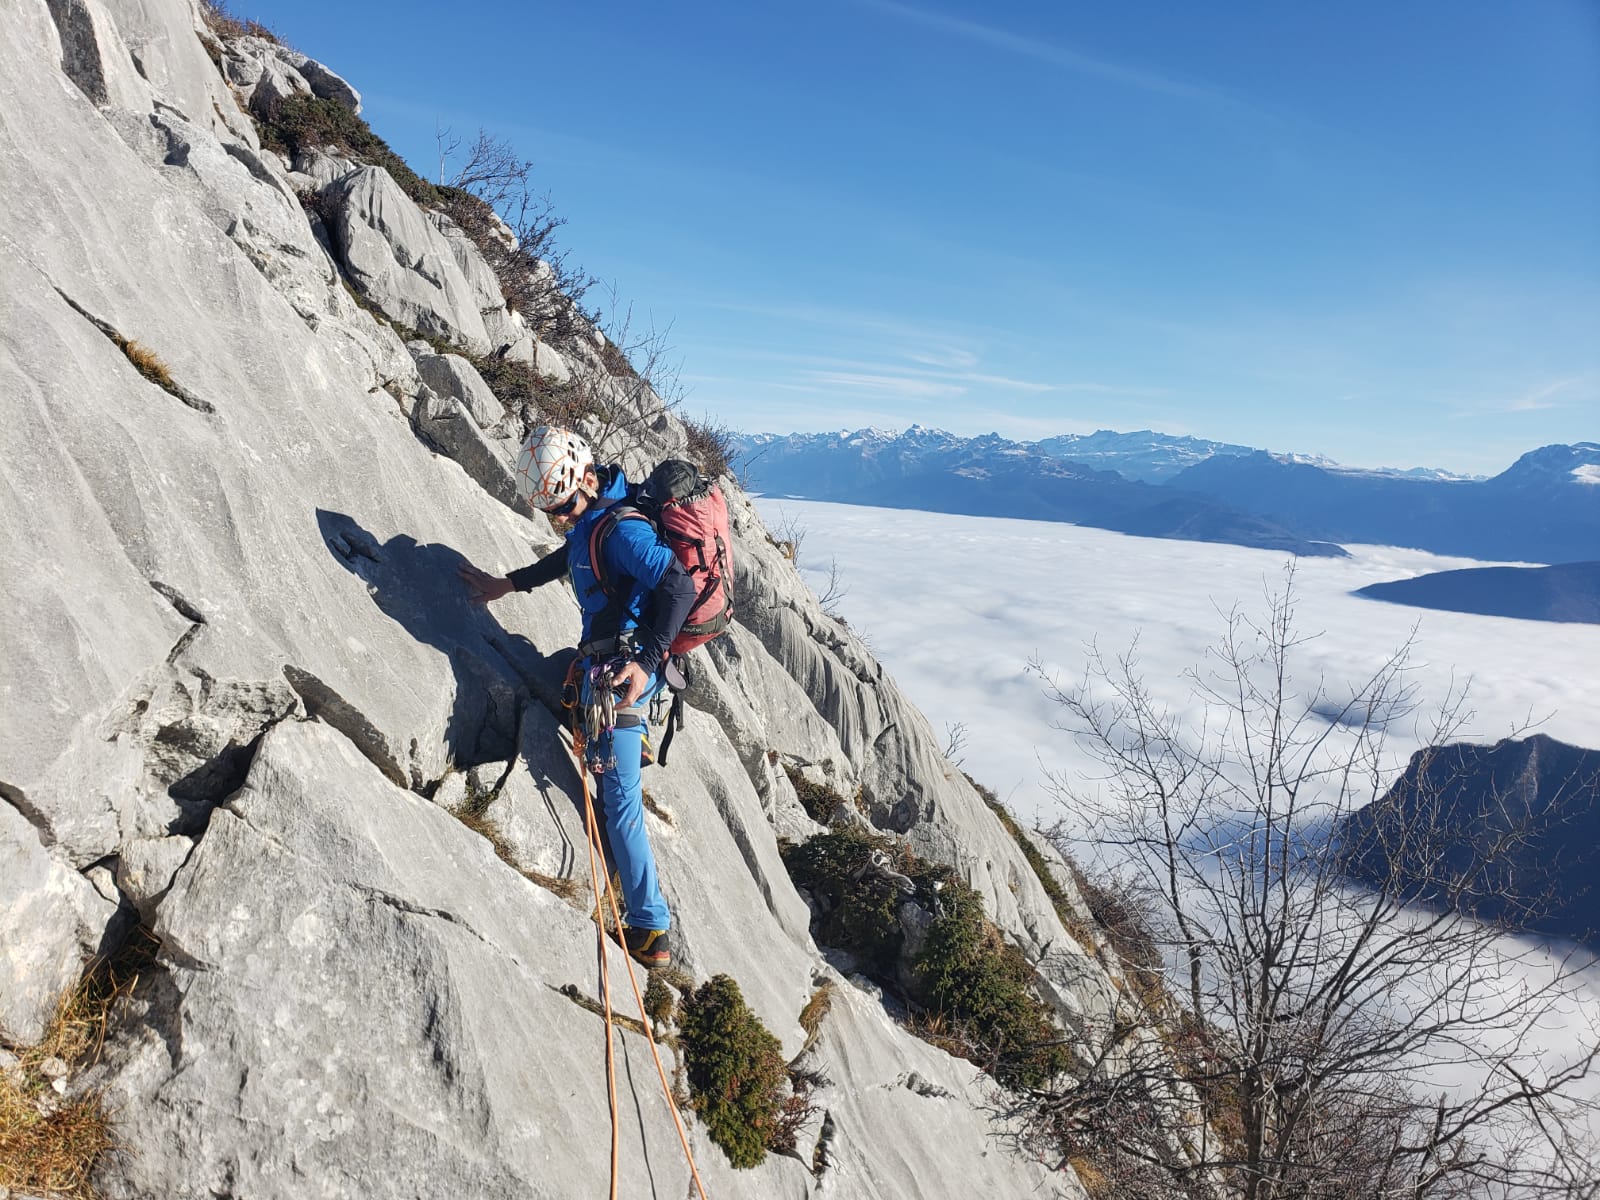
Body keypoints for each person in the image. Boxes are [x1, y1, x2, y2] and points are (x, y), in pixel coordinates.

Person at [459, 427, 695, 970]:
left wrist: (646, 662)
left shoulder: (620, 533)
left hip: (626, 672)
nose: (559, 517)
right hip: (607, 662)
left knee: (619, 804)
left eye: (563, 505)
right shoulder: (591, 520)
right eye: (550, 510)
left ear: (588, 480)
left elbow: (678, 587)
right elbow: (567, 559)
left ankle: (650, 927)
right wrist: (507, 584)